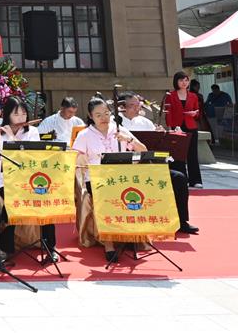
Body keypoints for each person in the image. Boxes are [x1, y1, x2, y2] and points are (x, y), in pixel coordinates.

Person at [72, 97, 196, 264]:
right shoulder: (85, 135)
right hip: (97, 179)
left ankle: (132, 235)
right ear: (90, 116)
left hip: (123, 177)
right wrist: (85, 161)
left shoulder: (119, 129)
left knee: (138, 192)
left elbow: (143, 150)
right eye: (98, 115)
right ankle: (109, 244)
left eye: (106, 113)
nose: (104, 118)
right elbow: (77, 161)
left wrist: (128, 140)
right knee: (107, 198)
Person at [0, 96, 58, 263]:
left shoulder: (33, 132)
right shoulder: (0, 133)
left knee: (46, 204)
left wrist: (13, 138)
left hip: (30, 180)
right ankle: (5, 249)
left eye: (23, 114)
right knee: (10, 206)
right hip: (8, 181)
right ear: (7, 115)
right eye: (16, 114)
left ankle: (50, 248)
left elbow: (29, 158)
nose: (21, 118)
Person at [163, 72, 204, 186]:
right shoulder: (170, 95)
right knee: (178, 154)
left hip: (191, 126)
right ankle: (182, 180)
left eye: (186, 80)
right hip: (177, 126)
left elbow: (197, 111)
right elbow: (168, 113)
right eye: (181, 80)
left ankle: (195, 180)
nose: (184, 83)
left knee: (193, 154)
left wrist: (194, 113)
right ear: (176, 82)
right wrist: (170, 126)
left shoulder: (193, 96)